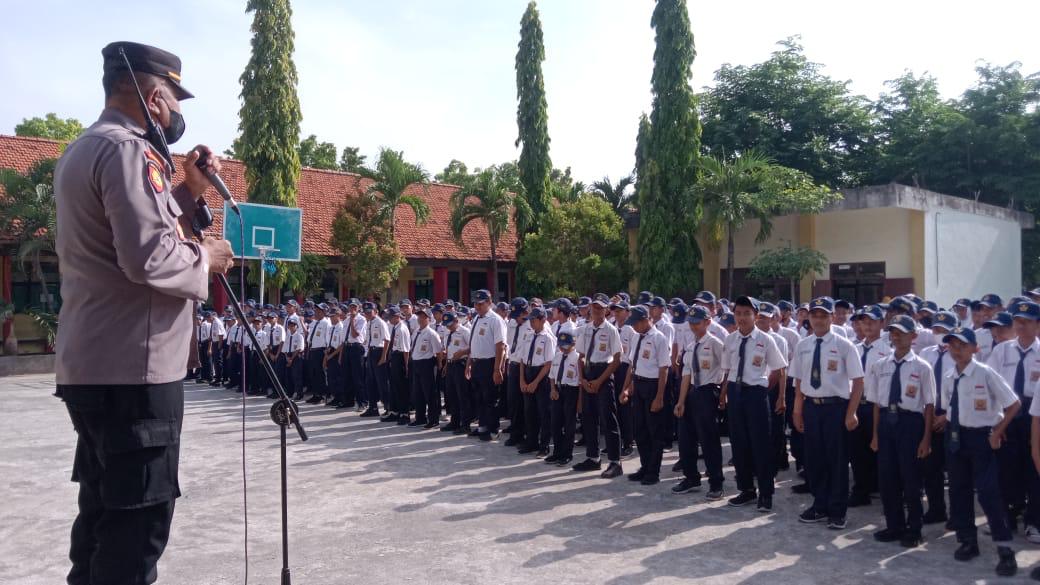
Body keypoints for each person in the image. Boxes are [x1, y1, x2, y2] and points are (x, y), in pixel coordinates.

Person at [53, 41, 234, 585]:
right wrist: (210, 258)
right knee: (137, 531)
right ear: (156, 99)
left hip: (94, 365)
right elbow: (149, 255)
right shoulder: (131, 152)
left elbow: (126, 232)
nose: (180, 115)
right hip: (136, 370)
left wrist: (188, 191)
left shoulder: (86, 148)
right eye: (177, 102)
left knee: (104, 517)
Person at [939, 327, 1019, 577]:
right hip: (955, 438)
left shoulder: (985, 373)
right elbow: (948, 408)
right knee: (959, 491)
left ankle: (1005, 550)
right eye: (952, 345)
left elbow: (1013, 404)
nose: (957, 350)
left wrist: (997, 431)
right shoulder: (950, 376)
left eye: (962, 345)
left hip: (981, 438)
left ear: (975, 348)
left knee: (988, 493)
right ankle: (968, 541)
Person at [790, 297, 864, 529]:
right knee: (815, 459)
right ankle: (820, 504)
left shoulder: (844, 345)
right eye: (815, 315)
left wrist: (851, 413)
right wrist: (797, 411)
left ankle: (837, 509)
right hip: (812, 407)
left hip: (836, 408)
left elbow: (858, 381)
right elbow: (799, 380)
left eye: (824, 315)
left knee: (837, 460)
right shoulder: (803, 345)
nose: (819, 320)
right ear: (808, 318)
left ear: (832, 317)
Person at [867, 315, 936, 548]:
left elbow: (928, 405)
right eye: (893, 332)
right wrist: (876, 434)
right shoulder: (880, 365)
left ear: (913, 336)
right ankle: (894, 525)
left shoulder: (922, 366)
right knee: (888, 478)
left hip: (910, 423)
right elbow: (877, 403)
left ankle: (914, 528)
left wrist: (926, 438)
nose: (896, 336)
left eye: (902, 332)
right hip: (887, 422)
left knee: (911, 479)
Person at [721, 296, 787, 511]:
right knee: (739, 444)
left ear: (755, 316)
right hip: (735, 392)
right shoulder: (730, 340)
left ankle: (765, 494)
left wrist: (762, 390)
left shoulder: (767, 340)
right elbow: (728, 370)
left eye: (746, 313)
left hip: (756, 393)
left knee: (761, 445)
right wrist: (724, 394)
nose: (742, 317)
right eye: (738, 313)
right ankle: (746, 489)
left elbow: (778, 369)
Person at [986, 300, 1040, 540]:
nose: (1021, 326)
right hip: (1007, 414)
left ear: (1038, 325)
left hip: (1034, 415)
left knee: (1034, 469)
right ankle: (1009, 517)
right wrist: (997, 423)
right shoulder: (1002, 350)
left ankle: (1034, 521)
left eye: (1027, 322)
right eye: (1018, 321)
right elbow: (990, 387)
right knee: (1006, 470)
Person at [674, 305, 726, 499]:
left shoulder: (715, 343)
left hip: (708, 392)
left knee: (709, 440)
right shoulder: (690, 344)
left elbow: (727, 369)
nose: (693, 326)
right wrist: (681, 401)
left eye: (697, 323)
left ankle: (716, 482)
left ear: (707, 322)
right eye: (691, 323)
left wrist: (723, 394)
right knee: (686, 438)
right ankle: (691, 477)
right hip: (692, 392)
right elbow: (686, 373)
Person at [572, 295, 625, 478]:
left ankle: (615, 462)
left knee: (608, 419)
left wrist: (599, 380)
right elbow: (580, 356)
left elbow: (617, 359)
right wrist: (582, 379)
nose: (596, 312)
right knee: (589, 417)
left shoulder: (611, 330)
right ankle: (593, 457)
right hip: (588, 372)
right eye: (594, 308)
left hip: (604, 372)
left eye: (600, 308)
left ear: (606, 310)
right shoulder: (585, 329)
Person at [620, 305, 672, 485]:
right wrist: (625, 388)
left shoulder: (659, 338)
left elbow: (664, 369)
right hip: (638, 384)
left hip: (652, 386)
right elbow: (632, 365)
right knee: (640, 430)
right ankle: (645, 466)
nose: (633, 327)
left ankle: (653, 471)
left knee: (654, 431)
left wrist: (659, 397)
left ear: (645, 320)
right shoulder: (636, 337)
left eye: (635, 323)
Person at [919, 310, 958, 525]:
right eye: (936, 329)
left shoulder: (961, 353)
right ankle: (936, 509)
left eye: (944, 330)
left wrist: (947, 416)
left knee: (955, 471)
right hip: (929, 414)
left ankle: (957, 514)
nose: (939, 333)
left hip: (953, 418)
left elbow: (965, 390)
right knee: (930, 467)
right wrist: (929, 413)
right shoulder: (926, 353)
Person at [465, 289, 507, 442]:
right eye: (475, 304)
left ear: (489, 302)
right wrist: (469, 363)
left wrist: (497, 369)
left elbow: (500, 346)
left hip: (489, 363)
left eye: (481, 304)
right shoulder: (476, 318)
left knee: (490, 398)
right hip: (477, 363)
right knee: (479, 397)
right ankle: (482, 426)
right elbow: (473, 343)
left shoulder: (496, 320)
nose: (477, 306)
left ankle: (493, 428)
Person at [518, 307, 556, 456]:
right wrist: (522, 379)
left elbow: (548, 363)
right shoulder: (528, 336)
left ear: (543, 320)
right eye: (530, 320)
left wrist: (535, 382)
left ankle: (544, 445)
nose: (531, 323)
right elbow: (522, 359)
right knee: (529, 411)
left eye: (534, 320)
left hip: (541, 375)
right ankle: (531, 442)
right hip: (528, 372)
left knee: (543, 412)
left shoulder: (548, 338)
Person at [548, 331, 581, 465]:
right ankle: (557, 452)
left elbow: (580, 382)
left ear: (573, 344)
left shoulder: (578, 358)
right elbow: (551, 376)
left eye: (565, 345)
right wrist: (553, 389)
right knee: (555, 423)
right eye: (561, 345)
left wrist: (580, 402)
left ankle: (567, 454)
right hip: (558, 390)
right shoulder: (557, 356)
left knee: (569, 425)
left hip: (571, 391)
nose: (562, 348)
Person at [408, 308, 443, 429]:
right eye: (419, 317)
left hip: (427, 364)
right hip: (416, 363)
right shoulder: (416, 331)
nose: (420, 319)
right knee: (418, 393)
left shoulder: (432, 333)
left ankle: (433, 419)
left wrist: (439, 366)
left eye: (423, 317)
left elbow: (438, 352)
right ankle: (420, 418)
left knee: (430, 393)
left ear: (428, 318)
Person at [504, 298, 531, 446]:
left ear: (526, 312)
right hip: (513, 365)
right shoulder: (512, 324)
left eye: (519, 315)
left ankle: (528, 434)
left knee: (526, 404)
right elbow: (508, 344)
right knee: (513, 401)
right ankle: (516, 433)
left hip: (526, 366)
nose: (517, 319)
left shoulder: (532, 325)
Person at [440, 312, 472, 433]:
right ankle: (455, 422)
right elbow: (448, 350)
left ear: (456, 321)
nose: (448, 327)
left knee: (462, 396)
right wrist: (446, 366)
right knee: (451, 395)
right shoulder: (448, 332)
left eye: (450, 324)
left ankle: (465, 424)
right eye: (446, 325)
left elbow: (472, 348)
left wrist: (462, 353)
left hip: (461, 364)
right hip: (451, 365)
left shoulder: (465, 331)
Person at [384, 306, 411, 425]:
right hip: (394, 357)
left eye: (390, 317)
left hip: (400, 358)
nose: (388, 319)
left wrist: (406, 366)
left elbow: (406, 350)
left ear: (396, 316)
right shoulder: (394, 327)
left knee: (401, 388)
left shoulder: (402, 329)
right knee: (394, 387)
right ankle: (394, 411)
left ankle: (404, 413)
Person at [362, 301, 389, 418]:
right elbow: (367, 341)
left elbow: (387, 340)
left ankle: (388, 407)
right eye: (365, 312)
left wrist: (383, 357)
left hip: (379, 352)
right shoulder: (369, 323)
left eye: (369, 311)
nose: (367, 314)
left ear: (375, 311)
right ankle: (373, 407)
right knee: (370, 382)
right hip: (371, 352)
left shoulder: (381, 322)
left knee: (382, 382)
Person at [285, 319, 306, 399]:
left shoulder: (299, 336)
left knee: (297, 376)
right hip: (289, 356)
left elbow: (299, 348)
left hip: (296, 356)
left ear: (296, 326)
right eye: (290, 325)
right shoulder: (288, 336)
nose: (291, 327)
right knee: (289, 376)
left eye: (293, 325)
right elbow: (285, 348)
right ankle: (290, 393)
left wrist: (291, 359)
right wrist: (287, 357)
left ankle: (299, 393)